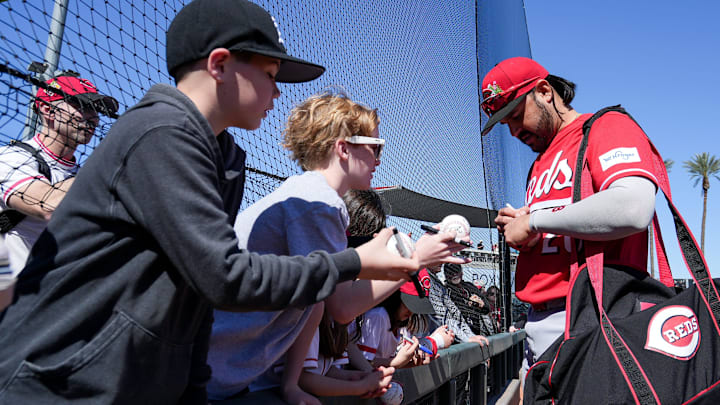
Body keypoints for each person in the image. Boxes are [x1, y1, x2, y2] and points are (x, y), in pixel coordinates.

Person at [0, 1, 467, 403]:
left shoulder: (225, 155)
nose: (278, 91)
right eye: (268, 74)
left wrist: (193, 387)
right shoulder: (161, 133)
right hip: (62, 376)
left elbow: (199, 293)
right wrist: (355, 261)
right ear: (220, 65)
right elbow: (224, 276)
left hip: (147, 378)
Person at [206, 92, 411, 403]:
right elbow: (341, 308)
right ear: (343, 148)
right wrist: (414, 261)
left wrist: (292, 385)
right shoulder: (320, 202)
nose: (378, 159)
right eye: (374, 148)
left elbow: (315, 303)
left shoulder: (307, 193)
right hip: (215, 368)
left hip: (230, 367)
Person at [482, 56, 663, 390]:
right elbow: (563, 226)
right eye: (504, 122)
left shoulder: (605, 126)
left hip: (593, 319)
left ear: (545, 92)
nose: (513, 130)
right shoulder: (538, 165)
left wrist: (535, 221)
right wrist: (529, 232)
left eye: (516, 114)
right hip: (538, 327)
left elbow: (634, 206)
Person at [0, 75, 118, 309]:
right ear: (47, 110)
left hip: (51, 303)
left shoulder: (86, 174)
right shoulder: (12, 158)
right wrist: (111, 157)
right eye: (83, 106)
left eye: (97, 110)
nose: (93, 118)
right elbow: (48, 205)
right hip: (9, 301)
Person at [443, 263, 497, 336]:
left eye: (456, 271)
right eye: (450, 272)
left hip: (476, 332)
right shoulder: (445, 291)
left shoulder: (470, 287)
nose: (454, 274)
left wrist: (481, 303)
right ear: (446, 275)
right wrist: (469, 305)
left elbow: (487, 308)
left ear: (461, 273)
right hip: (456, 334)